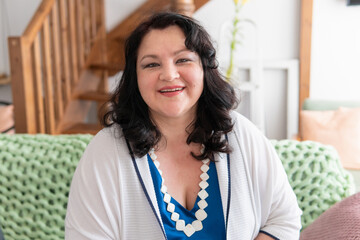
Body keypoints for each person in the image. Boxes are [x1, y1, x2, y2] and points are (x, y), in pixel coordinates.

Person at [65, 12, 302, 240]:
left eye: (183, 60)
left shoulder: (241, 134)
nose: (169, 74)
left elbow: (284, 219)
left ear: (204, 69)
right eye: (151, 64)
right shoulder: (105, 151)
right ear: (134, 78)